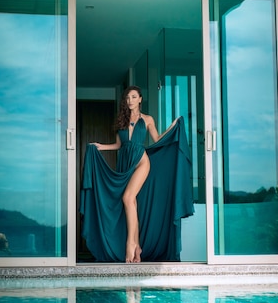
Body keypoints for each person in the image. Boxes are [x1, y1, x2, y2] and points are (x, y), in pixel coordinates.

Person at [81, 85, 194, 263]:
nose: (130, 100)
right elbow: (119, 145)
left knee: (127, 198)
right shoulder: (122, 121)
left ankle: (130, 244)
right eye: (127, 98)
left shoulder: (148, 119)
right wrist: (101, 147)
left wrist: (172, 127)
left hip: (142, 162)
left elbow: (157, 140)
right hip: (125, 164)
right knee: (131, 202)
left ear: (140, 99)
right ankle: (138, 246)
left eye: (134, 97)